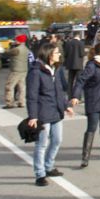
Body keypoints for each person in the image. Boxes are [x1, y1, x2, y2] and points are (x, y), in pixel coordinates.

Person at [26, 41, 74, 186]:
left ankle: (49, 166)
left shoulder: (57, 69)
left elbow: (59, 90)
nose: (59, 54)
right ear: (48, 55)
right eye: (56, 53)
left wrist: (66, 106)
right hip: (43, 112)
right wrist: (33, 116)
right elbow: (32, 95)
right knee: (41, 144)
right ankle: (40, 174)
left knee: (57, 140)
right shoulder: (36, 71)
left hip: (56, 111)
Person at [70, 42, 100, 166]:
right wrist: (75, 95)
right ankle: (85, 157)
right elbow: (81, 80)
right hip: (95, 101)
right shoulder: (92, 65)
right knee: (91, 128)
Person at [4, 35, 30, 108]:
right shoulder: (26, 49)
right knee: (22, 87)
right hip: (24, 70)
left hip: (15, 70)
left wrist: (10, 46)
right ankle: (22, 102)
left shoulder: (16, 49)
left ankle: (9, 102)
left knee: (9, 86)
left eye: (16, 40)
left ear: (19, 41)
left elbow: (7, 53)